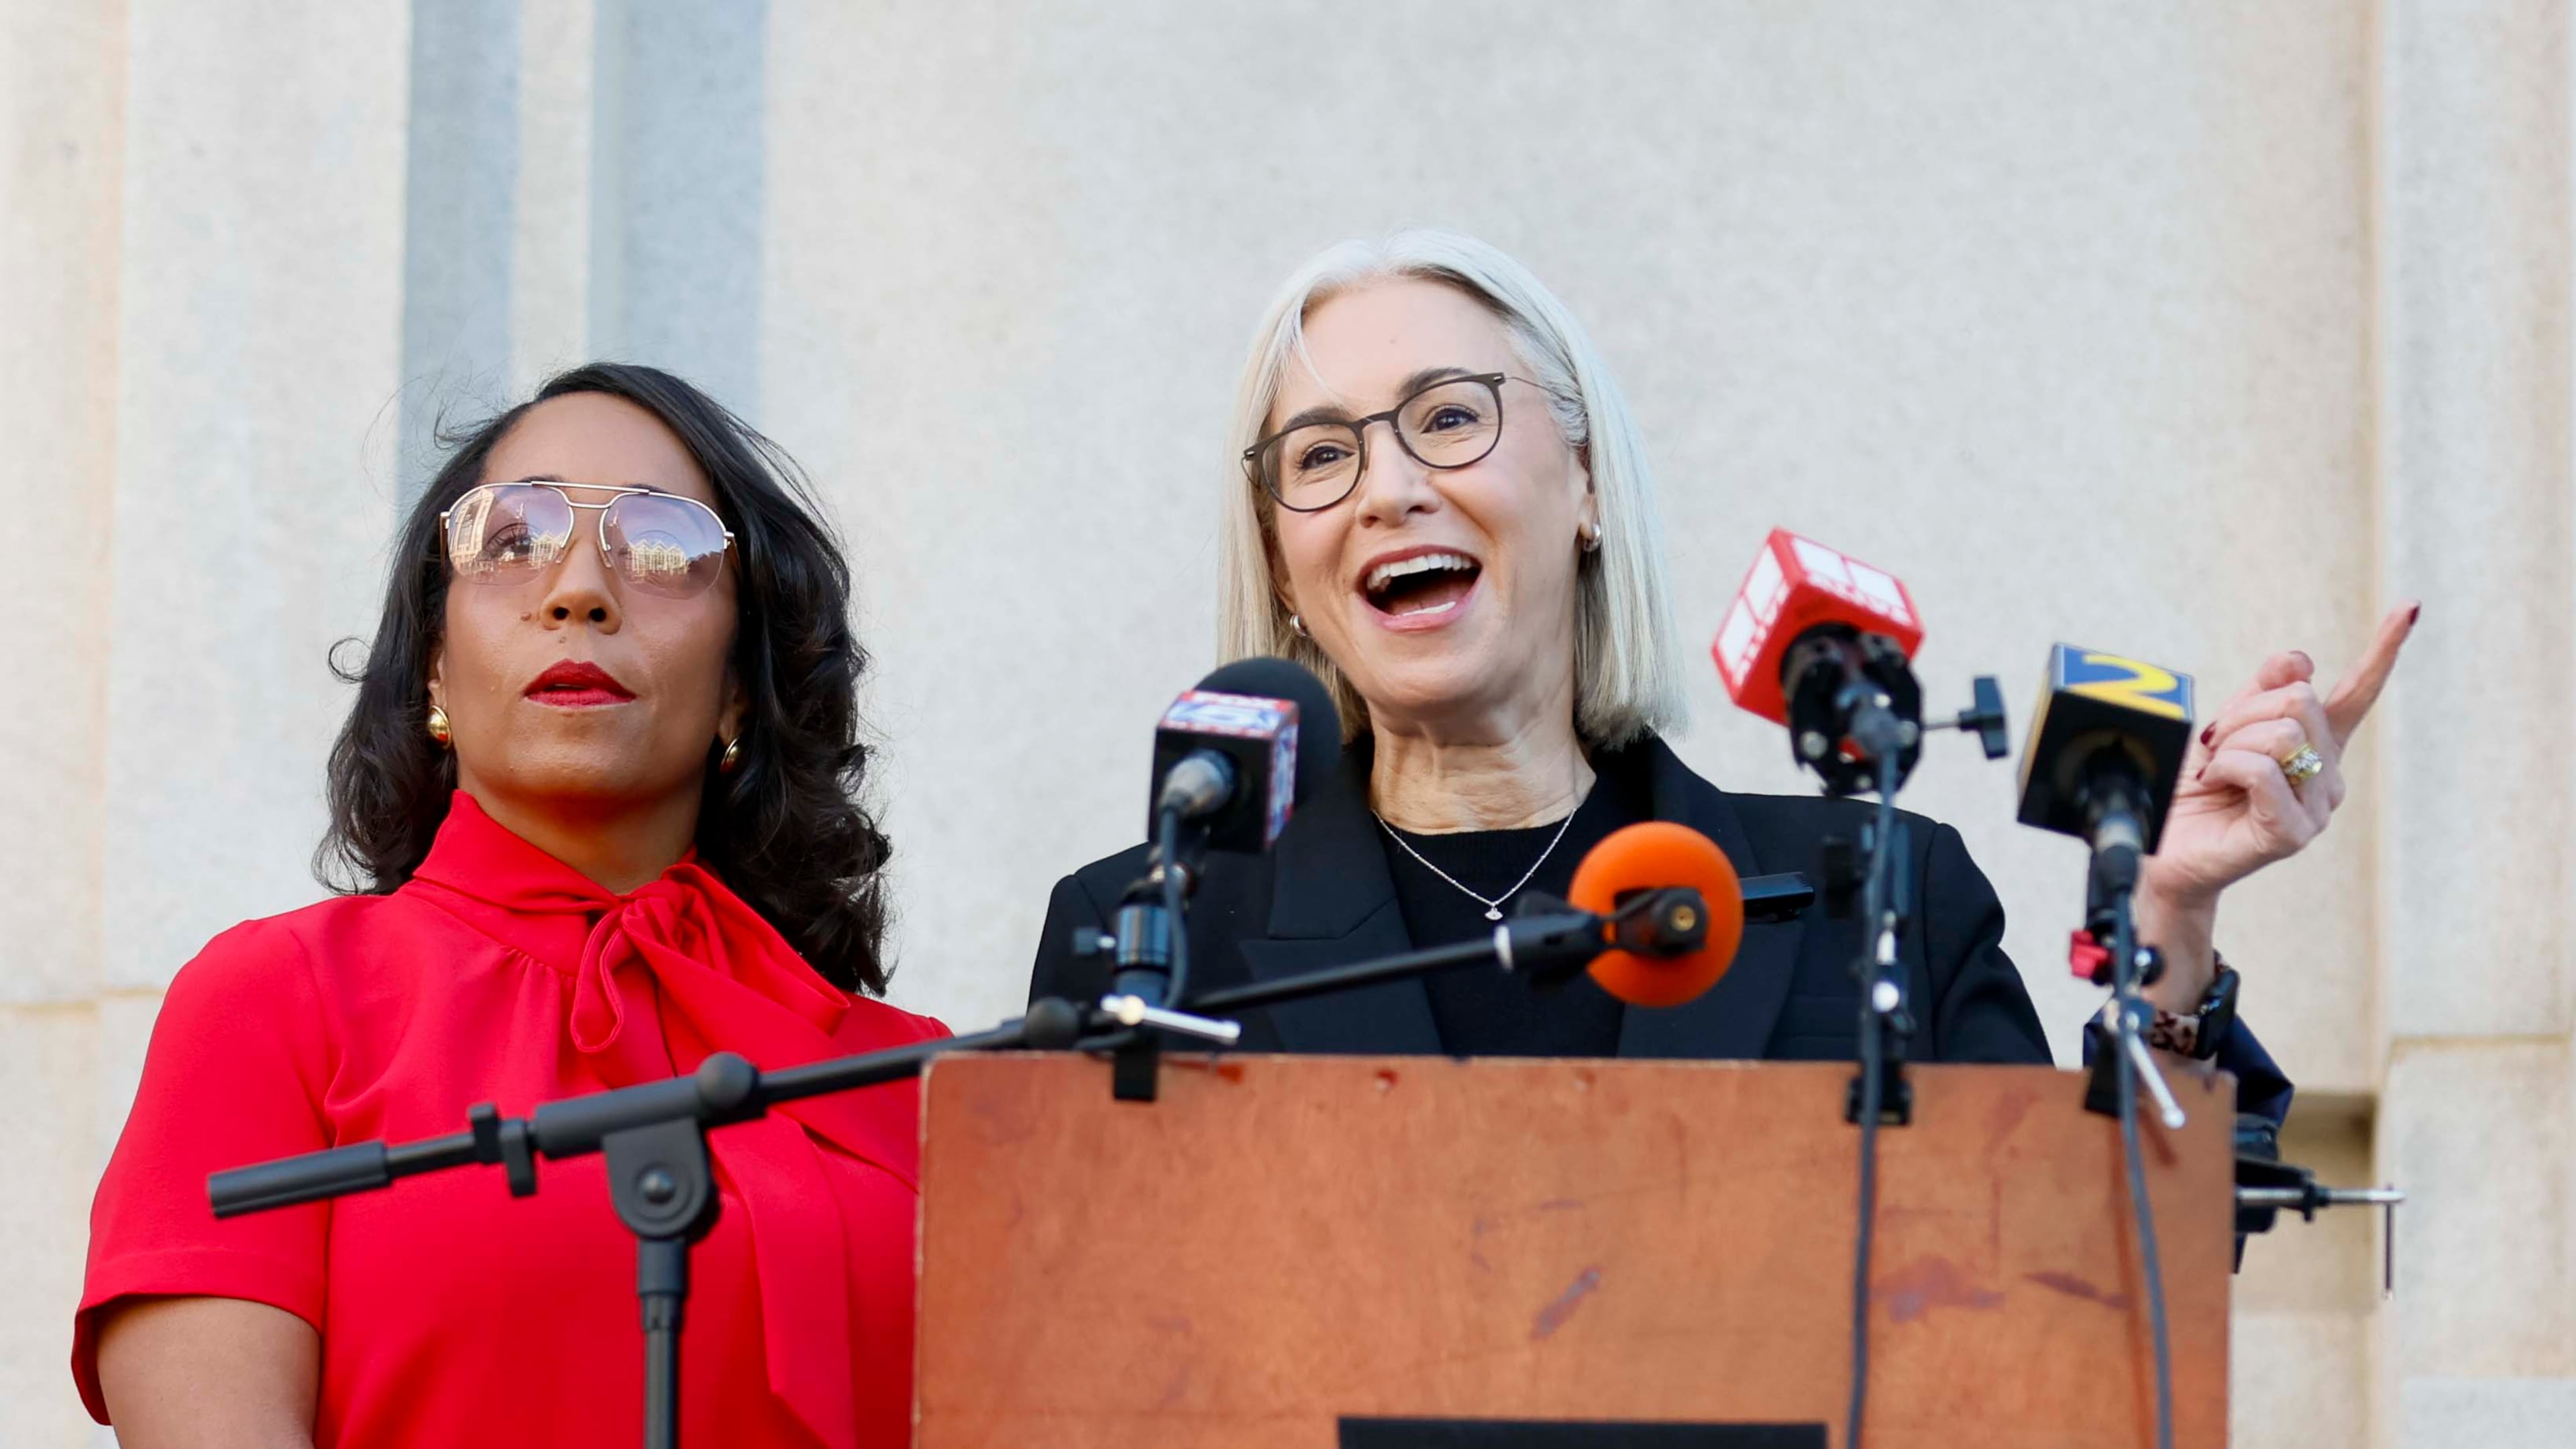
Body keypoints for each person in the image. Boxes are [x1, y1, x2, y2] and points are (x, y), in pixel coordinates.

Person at [1030, 229, 2412, 1111]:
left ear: (1583, 486)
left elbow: (2092, 1297)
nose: (1388, 488)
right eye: (1323, 456)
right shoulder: (1149, 939)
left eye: (1449, 418)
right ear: (1285, 563)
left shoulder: (1883, 899)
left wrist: (2168, 913)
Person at [76, 364, 941, 1449]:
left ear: (737, 684)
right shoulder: (276, 1002)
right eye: (513, 537)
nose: (579, 591)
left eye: (662, 545)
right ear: (435, 663)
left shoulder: (917, 1080)